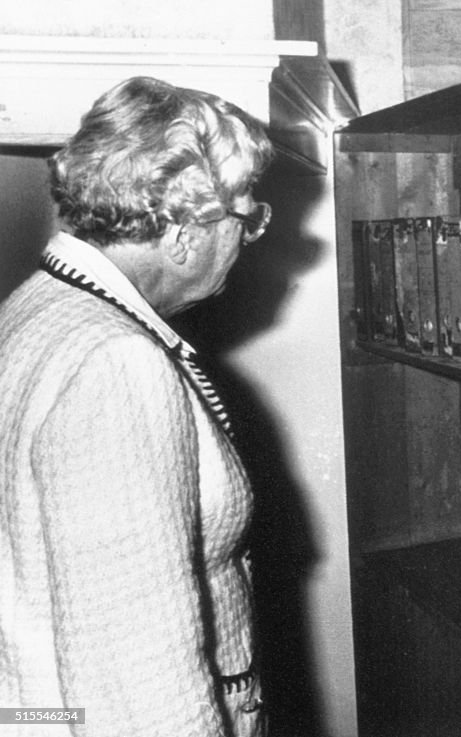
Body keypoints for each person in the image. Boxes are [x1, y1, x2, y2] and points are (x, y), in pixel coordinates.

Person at [0, 76, 274, 736]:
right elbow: (141, 675)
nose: (249, 238)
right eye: (246, 217)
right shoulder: (115, 363)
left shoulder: (33, 305)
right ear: (185, 233)